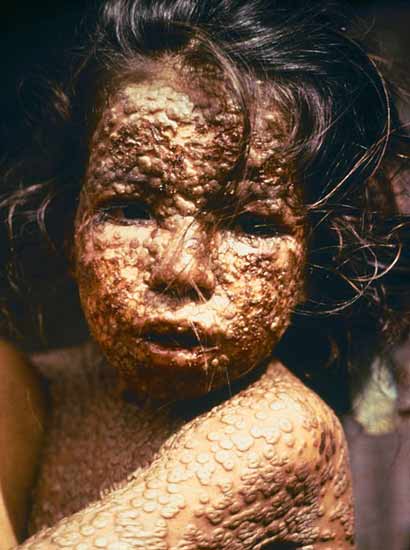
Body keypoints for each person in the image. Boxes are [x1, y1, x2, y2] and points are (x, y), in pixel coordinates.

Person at [1, 0, 410, 547]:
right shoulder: (38, 391)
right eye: (131, 208)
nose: (181, 269)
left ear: (313, 261)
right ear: (71, 223)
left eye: (252, 225)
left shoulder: (281, 436)